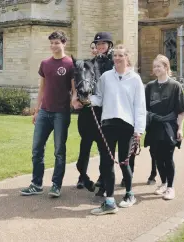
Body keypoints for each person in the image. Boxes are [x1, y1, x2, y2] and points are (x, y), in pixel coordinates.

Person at [87, 44, 146, 215]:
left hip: (127, 126)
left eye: (121, 55)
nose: (118, 58)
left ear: (127, 58)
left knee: (124, 161)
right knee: (106, 163)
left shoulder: (135, 79)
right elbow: (99, 98)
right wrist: (85, 98)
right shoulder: (106, 77)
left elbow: (140, 107)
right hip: (108, 124)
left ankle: (129, 194)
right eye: (115, 56)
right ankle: (110, 202)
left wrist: (139, 131)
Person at [20, 30, 75, 198]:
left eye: (57, 43)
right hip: (45, 112)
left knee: (59, 151)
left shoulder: (70, 64)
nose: (53, 46)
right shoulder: (45, 64)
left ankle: (56, 185)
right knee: (37, 149)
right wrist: (36, 110)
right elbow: (42, 88)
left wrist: (75, 99)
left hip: (61, 113)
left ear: (64, 43)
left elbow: (74, 90)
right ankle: (36, 184)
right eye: (51, 43)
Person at [73, 32, 114, 200]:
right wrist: (75, 97)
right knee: (85, 144)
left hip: (104, 110)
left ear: (109, 45)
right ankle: (82, 174)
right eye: (98, 44)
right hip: (88, 109)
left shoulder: (113, 62)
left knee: (104, 147)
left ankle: (103, 178)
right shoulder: (89, 62)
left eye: (104, 43)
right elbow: (79, 79)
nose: (101, 46)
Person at [144, 54, 184, 200]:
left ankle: (170, 187)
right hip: (154, 126)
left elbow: (181, 110)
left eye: (159, 66)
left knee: (168, 157)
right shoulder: (150, 86)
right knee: (156, 157)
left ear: (166, 67)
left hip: (169, 126)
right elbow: (144, 108)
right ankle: (163, 183)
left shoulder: (175, 86)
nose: (156, 69)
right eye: (154, 66)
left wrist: (180, 128)